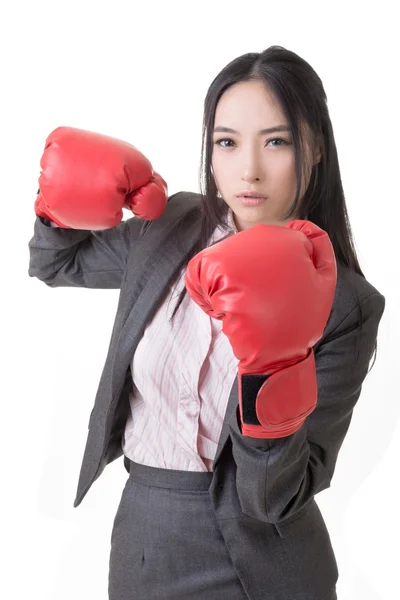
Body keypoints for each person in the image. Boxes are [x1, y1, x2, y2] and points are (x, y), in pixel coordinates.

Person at [28, 45, 385, 600]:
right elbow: (57, 262)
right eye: (227, 141)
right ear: (210, 150)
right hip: (145, 540)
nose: (249, 169)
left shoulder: (347, 303)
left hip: (264, 567)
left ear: (312, 147)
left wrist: (274, 370)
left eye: (276, 141)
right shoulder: (168, 225)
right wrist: (56, 202)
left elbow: (274, 498)